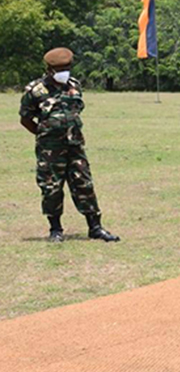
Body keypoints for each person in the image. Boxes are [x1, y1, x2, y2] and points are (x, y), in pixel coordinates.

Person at [19, 48, 120, 243]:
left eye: (67, 68)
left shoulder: (74, 85)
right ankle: (55, 229)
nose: (65, 72)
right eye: (60, 69)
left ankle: (95, 227)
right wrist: (44, 135)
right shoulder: (35, 90)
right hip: (50, 150)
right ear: (49, 69)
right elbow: (25, 119)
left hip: (75, 147)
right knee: (51, 188)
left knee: (84, 185)